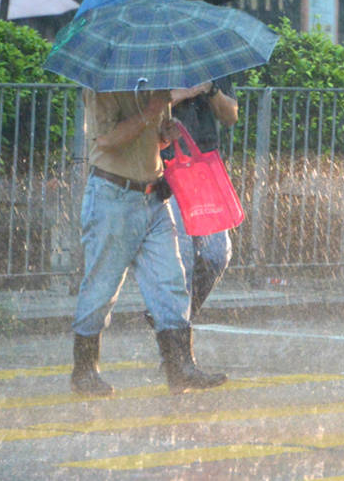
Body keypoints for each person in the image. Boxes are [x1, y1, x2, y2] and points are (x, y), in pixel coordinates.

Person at [70, 84, 227, 397]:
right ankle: (85, 370)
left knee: (170, 282)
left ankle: (180, 366)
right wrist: (151, 113)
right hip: (114, 197)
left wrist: (165, 135)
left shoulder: (154, 88)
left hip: (154, 197)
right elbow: (106, 141)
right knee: (102, 288)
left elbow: (149, 139)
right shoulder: (104, 89)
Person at [144, 74, 238, 328]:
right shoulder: (157, 61)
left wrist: (211, 89)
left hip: (204, 167)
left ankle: (174, 318)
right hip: (167, 168)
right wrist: (185, 92)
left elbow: (230, 116)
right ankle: (176, 343)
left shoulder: (211, 62)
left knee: (216, 254)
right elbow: (145, 110)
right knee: (181, 257)